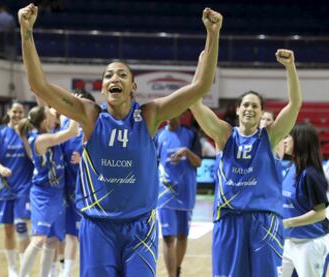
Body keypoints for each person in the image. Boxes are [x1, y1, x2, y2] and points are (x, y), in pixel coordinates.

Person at [18, 3, 221, 276]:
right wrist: (26, 32)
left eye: (122, 74)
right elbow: (38, 85)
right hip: (97, 227)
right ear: (102, 88)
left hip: (141, 227)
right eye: (109, 75)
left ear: (133, 87)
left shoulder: (149, 115)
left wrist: (213, 34)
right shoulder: (90, 115)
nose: (115, 78)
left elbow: (201, 88)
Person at [190, 49, 302, 276]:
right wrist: (201, 68)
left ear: (261, 113)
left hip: (264, 221)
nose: (250, 109)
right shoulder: (224, 135)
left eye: (255, 106)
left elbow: (296, 103)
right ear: (238, 110)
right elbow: (194, 103)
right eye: (246, 105)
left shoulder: (269, 137)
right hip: (229, 220)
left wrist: (290, 67)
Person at [17, 106, 79, 277]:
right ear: (45, 121)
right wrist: (75, 105)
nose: (56, 114)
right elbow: (73, 131)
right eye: (52, 114)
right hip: (43, 194)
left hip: (58, 194)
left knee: (52, 241)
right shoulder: (40, 140)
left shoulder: (50, 134)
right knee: (39, 239)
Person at [0, 101, 33, 277]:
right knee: (8, 230)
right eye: (15, 112)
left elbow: (32, 156)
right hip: (3, 186)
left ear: (24, 114)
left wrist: (23, 137)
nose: (17, 115)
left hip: (24, 186)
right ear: (9, 112)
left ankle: (24, 270)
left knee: (21, 227)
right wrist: (0, 168)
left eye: (21, 112)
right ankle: (12, 268)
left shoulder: (29, 132)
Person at [154, 114, 201, 277]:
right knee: (168, 238)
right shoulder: (159, 136)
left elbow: (198, 162)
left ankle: (177, 270)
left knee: (182, 236)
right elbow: (153, 162)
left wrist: (186, 152)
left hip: (186, 192)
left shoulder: (191, 134)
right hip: (165, 193)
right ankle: (171, 275)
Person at [281, 123, 329, 277]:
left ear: (300, 141)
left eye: (289, 136)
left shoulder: (311, 174)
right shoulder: (291, 167)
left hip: (310, 243)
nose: (285, 140)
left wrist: (288, 223)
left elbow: (320, 214)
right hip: (288, 241)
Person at [59, 89, 96, 277]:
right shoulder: (64, 122)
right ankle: (63, 271)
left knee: (86, 236)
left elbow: (108, 158)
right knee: (65, 235)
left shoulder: (96, 125)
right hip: (64, 187)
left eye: (79, 101)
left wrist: (85, 160)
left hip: (89, 190)